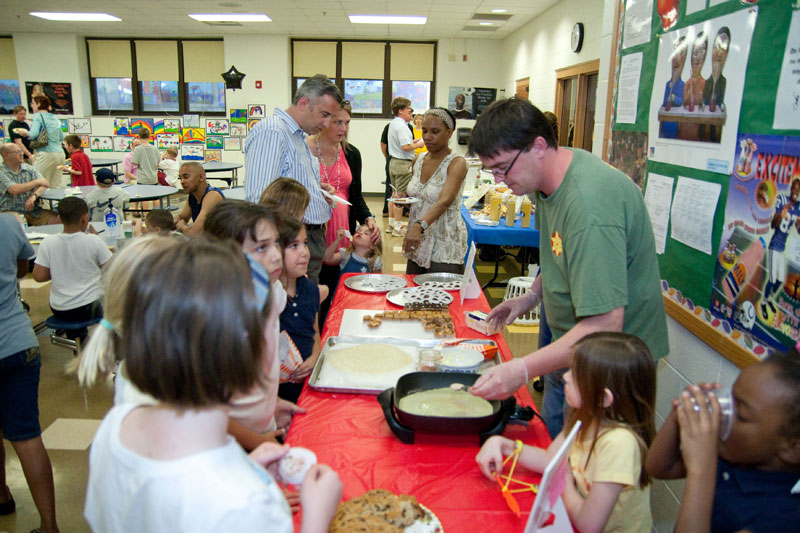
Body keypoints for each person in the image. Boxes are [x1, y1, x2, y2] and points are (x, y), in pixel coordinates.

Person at [83, 240, 342, 532]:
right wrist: (317, 517)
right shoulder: (246, 504)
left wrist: (246, 468)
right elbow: (221, 502)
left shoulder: (116, 424)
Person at [468, 98, 669, 439]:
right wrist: (530, 297)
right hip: (573, 347)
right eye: (492, 171)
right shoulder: (545, 179)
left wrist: (521, 367)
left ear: (539, 147)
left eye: (503, 168)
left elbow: (605, 323)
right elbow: (561, 253)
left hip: (612, 363)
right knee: (555, 443)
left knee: (592, 468)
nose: (499, 181)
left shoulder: (590, 209)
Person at [477, 332, 656, 533]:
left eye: (576, 374)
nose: (565, 377)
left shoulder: (620, 444)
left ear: (603, 399)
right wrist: (502, 445)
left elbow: (589, 525)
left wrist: (563, 481)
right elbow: (549, 459)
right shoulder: (586, 415)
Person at [646, 347, 800, 532]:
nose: (723, 414)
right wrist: (677, 416)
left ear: (792, 449)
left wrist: (701, 469)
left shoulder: (784, 517)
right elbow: (658, 467)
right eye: (730, 399)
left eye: (741, 415)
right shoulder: (735, 453)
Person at [244, 74, 343, 283]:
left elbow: (286, 182)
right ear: (304, 103)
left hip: (305, 237)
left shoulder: (297, 135)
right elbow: (259, 201)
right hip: (289, 240)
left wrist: (318, 190)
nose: (326, 124)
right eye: (324, 114)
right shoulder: (273, 131)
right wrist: (279, 249)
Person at [0, 213, 60, 533]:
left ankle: (2, 496)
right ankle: (49, 525)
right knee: (27, 436)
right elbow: (22, 268)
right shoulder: (8, 225)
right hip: (18, 343)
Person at [306, 100, 381, 322]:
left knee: (337, 294)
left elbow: (356, 197)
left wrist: (368, 218)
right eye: (337, 122)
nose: (344, 128)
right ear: (323, 120)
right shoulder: (305, 149)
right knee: (313, 295)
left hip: (341, 234)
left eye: (347, 122)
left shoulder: (351, 153)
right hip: (312, 233)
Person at [33, 197, 112, 343]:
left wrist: (61, 268)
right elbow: (112, 269)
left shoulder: (48, 242)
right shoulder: (93, 241)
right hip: (90, 307)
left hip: (60, 308)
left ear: (59, 218)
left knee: (76, 325)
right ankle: (97, 346)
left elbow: (39, 276)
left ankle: (78, 342)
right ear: (85, 218)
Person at [402, 107, 468, 275]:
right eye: (424, 131)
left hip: (443, 242)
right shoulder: (418, 160)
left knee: (441, 296)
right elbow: (417, 195)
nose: (427, 137)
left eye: (435, 131)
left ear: (449, 132)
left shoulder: (456, 163)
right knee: (414, 295)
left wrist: (419, 226)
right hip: (418, 242)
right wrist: (403, 196)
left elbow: (444, 201)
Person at [278, 217, 324, 404]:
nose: (305, 252)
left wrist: (314, 358)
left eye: (305, 244)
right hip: (277, 394)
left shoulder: (310, 289)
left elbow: (314, 332)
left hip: (307, 384)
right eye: (293, 246)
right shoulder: (270, 298)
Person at [760, 178, 800, 319]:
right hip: (774, 246)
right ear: (791, 189)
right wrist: (781, 216)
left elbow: (798, 229)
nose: (795, 192)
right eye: (794, 188)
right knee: (771, 280)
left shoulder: (798, 207)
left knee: (780, 281)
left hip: (782, 249)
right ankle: (764, 303)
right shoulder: (782, 200)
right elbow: (773, 225)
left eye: (798, 189)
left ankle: (770, 299)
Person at [387, 97, 425, 236]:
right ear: (400, 111)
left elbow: (403, 144)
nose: (411, 113)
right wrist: (419, 145)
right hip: (402, 164)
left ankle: (391, 224)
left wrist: (412, 141)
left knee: (394, 195)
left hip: (394, 162)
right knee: (401, 197)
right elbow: (405, 147)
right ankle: (398, 227)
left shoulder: (393, 124)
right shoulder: (402, 126)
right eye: (409, 110)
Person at [0, 143, 57, 226]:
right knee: (19, 225)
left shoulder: (28, 168)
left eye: (21, 151)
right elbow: (13, 189)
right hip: (10, 212)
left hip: (33, 211)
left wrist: (34, 195)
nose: (21, 154)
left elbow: (45, 184)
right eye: (17, 152)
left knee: (58, 221)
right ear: (6, 155)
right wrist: (36, 182)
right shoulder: (2, 172)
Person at [18, 95, 65, 187]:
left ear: (38, 104)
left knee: (38, 181)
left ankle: (42, 202)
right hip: (60, 154)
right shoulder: (54, 118)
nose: (31, 105)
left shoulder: (38, 116)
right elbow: (61, 137)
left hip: (46, 153)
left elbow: (33, 134)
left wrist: (24, 132)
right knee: (55, 185)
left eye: (33, 103)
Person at [174, 162, 224, 236]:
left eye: (186, 177)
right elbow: (182, 217)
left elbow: (194, 233)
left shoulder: (213, 196)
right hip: (208, 242)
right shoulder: (192, 196)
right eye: (180, 178)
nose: (182, 182)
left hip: (223, 244)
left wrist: (182, 226)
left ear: (201, 177)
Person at [702, 27, 730, 142]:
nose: (720, 53)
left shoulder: (724, 82)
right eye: (718, 47)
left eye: (724, 48)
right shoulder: (706, 82)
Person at [680, 32, 707, 141]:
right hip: (684, 128)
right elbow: (684, 102)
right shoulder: (687, 84)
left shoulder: (704, 83)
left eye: (701, 52)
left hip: (697, 129)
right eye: (695, 53)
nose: (697, 58)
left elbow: (703, 104)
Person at [660, 35, 687, 139]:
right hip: (665, 125)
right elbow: (663, 105)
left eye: (681, 52)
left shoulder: (682, 85)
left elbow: (683, 102)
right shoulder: (668, 84)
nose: (677, 57)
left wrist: (674, 98)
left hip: (675, 125)